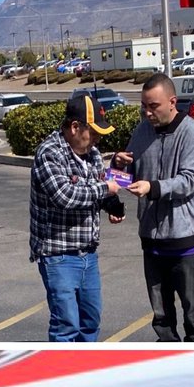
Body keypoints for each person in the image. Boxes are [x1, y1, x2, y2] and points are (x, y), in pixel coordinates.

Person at [110, 72, 194, 341]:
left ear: (172, 102)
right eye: (144, 106)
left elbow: (190, 180)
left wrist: (153, 188)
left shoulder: (192, 134)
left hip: (185, 241)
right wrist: (118, 164)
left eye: (153, 106)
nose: (147, 112)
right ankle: (167, 355)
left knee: (193, 314)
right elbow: (130, 172)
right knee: (161, 317)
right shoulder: (142, 131)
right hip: (152, 241)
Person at [29, 96, 126, 342]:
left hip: (88, 254)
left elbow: (97, 188)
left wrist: (113, 205)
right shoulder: (49, 153)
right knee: (66, 325)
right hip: (58, 255)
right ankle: (65, 366)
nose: (97, 140)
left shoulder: (91, 154)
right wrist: (105, 189)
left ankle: (85, 363)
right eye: (93, 133)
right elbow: (65, 196)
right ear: (74, 127)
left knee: (90, 321)